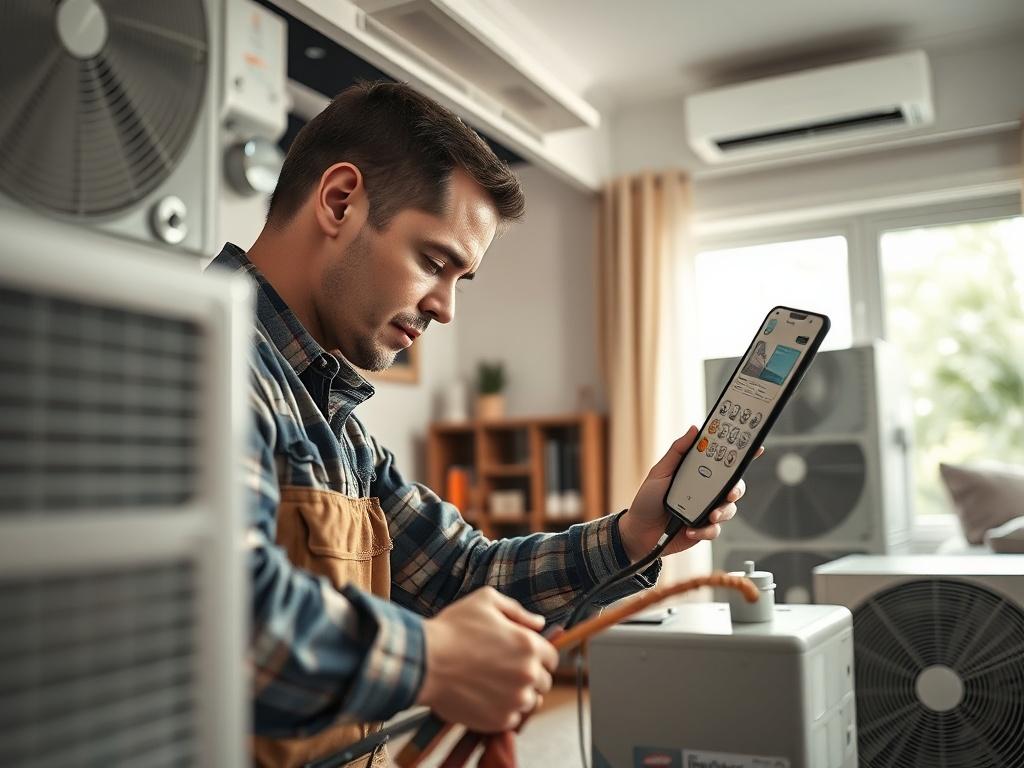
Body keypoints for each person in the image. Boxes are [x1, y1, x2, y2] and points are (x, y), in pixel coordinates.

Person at [208, 81, 746, 768]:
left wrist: (635, 534)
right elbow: (226, 621)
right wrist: (433, 659)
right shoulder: (204, 361)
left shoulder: (336, 425)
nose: (445, 309)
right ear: (340, 201)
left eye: (461, 279)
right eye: (435, 263)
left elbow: (459, 574)